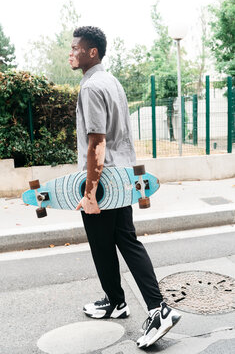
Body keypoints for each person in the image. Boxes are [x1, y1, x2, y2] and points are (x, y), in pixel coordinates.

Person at [69, 26, 181, 349]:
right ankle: (115, 300)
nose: (71, 53)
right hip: (121, 180)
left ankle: (157, 309)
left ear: (92, 52)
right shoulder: (113, 82)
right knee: (118, 242)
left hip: (102, 183)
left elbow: (97, 142)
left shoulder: (91, 88)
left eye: (75, 48)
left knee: (112, 244)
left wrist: (90, 193)